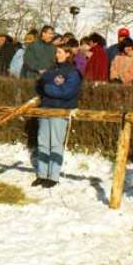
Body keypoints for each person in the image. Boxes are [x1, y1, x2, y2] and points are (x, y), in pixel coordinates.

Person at [32, 41, 82, 188]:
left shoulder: (73, 72)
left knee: (55, 144)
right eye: (56, 52)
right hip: (46, 108)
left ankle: (53, 176)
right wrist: (46, 86)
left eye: (59, 52)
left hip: (60, 111)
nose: (56, 55)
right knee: (42, 142)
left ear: (67, 54)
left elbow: (66, 92)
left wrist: (48, 88)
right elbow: (39, 83)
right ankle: (42, 174)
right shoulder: (52, 69)